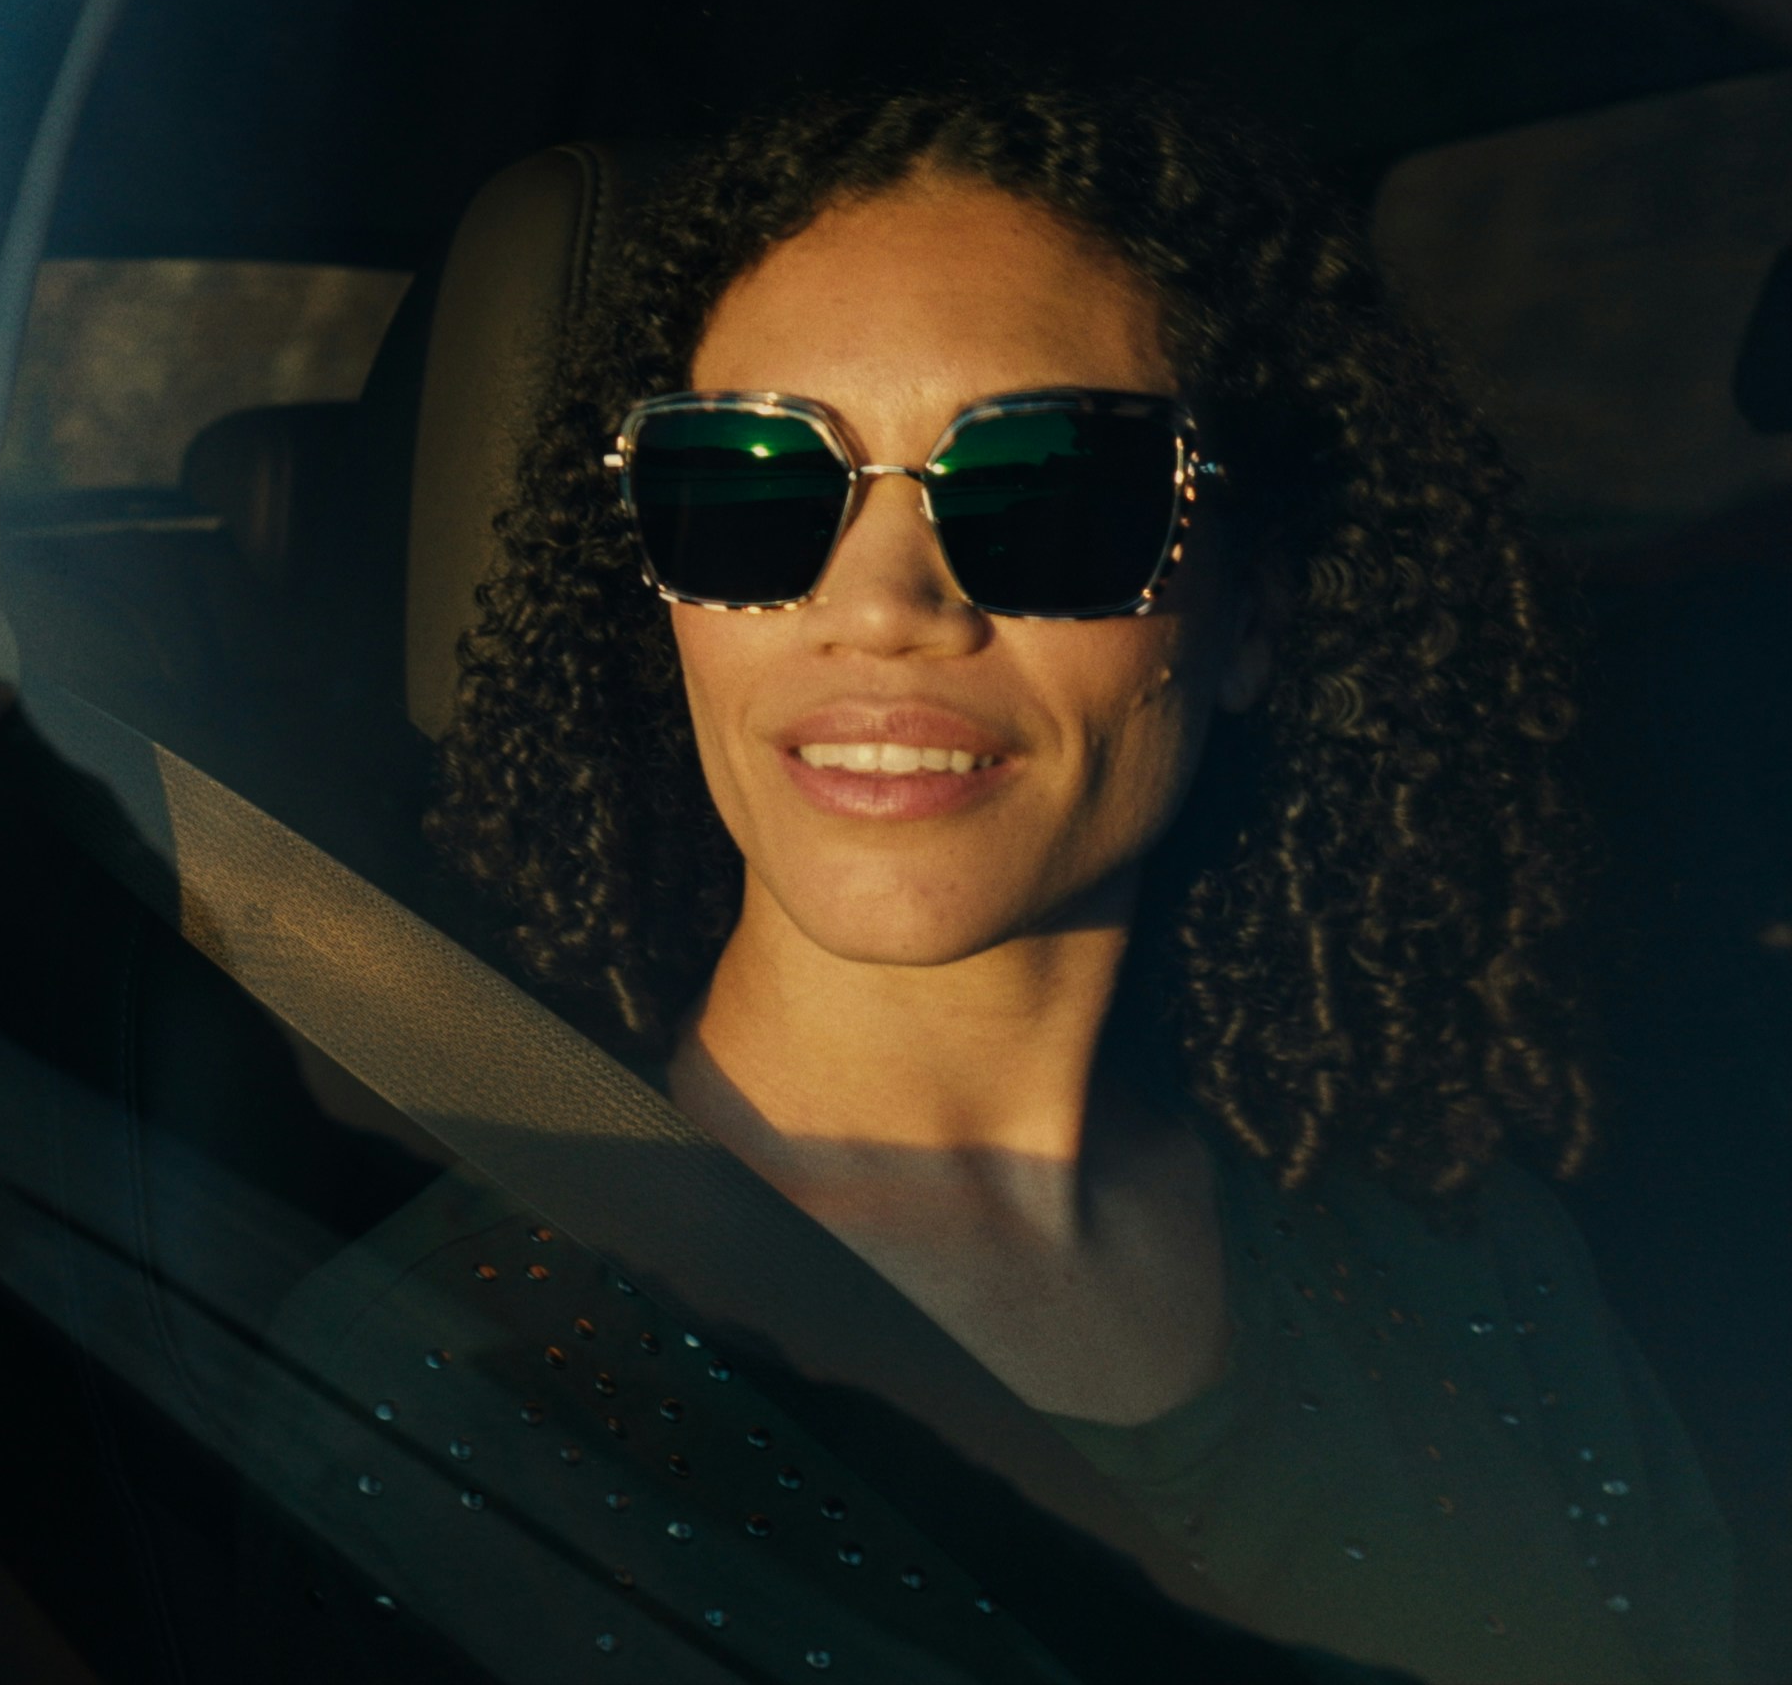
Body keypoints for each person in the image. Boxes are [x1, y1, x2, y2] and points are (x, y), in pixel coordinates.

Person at [423, 85, 1740, 1683]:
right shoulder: (465, 1366)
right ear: (666, 599)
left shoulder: (1473, 1276)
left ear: (1252, 617)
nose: (885, 603)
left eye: (1050, 489)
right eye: (755, 484)